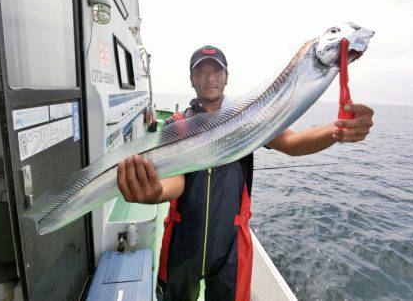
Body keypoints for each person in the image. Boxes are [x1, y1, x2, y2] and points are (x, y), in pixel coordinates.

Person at [116, 45, 374, 301]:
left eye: (216, 70)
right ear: (192, 79)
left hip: (232, 247)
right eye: (201, 71)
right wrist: (155, 191)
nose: (210, 77)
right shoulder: (176, 125)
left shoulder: (246, 119)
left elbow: (292, 143)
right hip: (182, 245)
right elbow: (175, 182)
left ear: (226, 77)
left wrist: (336, 130)